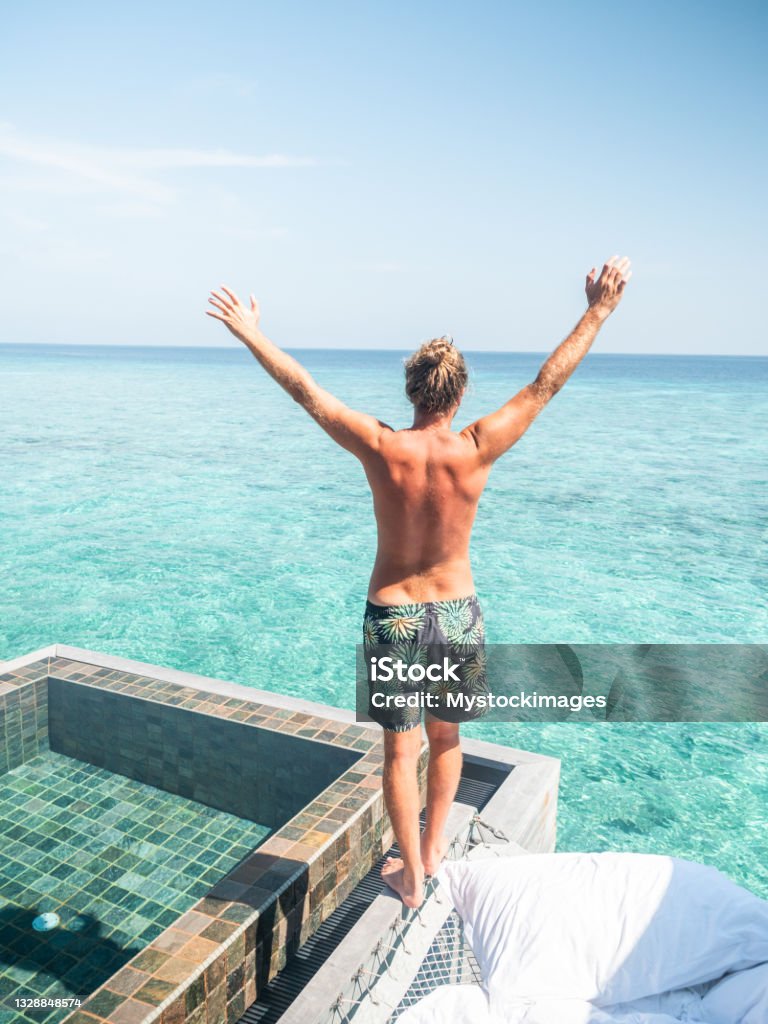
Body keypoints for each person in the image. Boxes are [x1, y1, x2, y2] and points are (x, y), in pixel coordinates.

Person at [206, 255, 632, 907]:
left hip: (394, 617)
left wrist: (251, 333)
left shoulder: (380, 446)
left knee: (400, 753)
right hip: (457, 614)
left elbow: (306, 391)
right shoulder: (478, 445)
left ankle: (411, 876)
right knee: (448, 739)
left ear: (412, 391)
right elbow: (547, 384)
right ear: (459, 395)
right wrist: (599, 310)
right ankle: (434, 853)